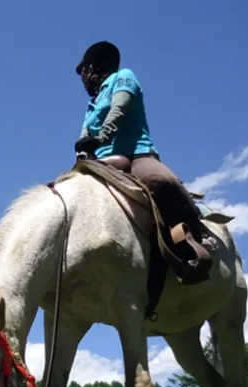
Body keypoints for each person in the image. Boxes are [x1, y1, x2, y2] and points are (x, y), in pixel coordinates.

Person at [72, 41, 211, 285]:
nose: (82, 77)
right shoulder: (91, 104)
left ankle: (193, 240)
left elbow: (120, 108)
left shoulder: (123, 77)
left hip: (136, 154)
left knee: (161, 181)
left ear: (95, 65)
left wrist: (101, 137)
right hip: (103, 160)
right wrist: (83, 151)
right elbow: (84, 134)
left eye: (83, 70)